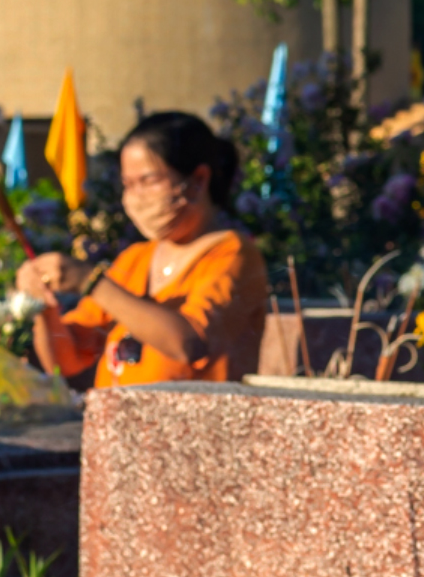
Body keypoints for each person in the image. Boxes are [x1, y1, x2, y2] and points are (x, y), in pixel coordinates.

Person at [16, 112, 268, 387]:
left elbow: (188, 344)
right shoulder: (136, 259)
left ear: (198, 180)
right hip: (118, 423)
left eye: (147, 181)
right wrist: (42, 307)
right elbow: (67, 359)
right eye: (127, 184)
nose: (135, 197)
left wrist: (92, 282)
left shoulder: (232, 254)